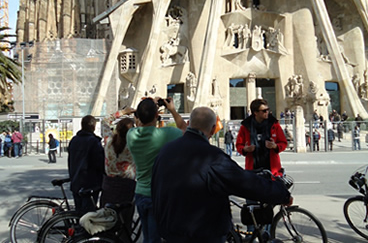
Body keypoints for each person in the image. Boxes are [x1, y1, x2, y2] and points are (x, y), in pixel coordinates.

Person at [151, 107, 292, 243]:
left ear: (188, 124)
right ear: (213, 129)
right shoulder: (212, 157)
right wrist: (281, 192)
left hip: (168, 229)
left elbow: (155, 187)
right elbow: (244, 183)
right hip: (201, 233)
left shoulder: (166, 150)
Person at [126, 97, 186, 243]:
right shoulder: (166, 134)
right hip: (158, 195)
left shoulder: (131, 135)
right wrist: (171, 109)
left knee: (148, 237)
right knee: (154, 239)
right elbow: (184, 128)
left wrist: (144, 108)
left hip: (140, 192)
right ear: (156, 116)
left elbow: (139, 121)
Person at [100, 117, 136, 238]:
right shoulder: (133, 145)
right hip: (127, 187)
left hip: (109, 186)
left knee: (107, 223)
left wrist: (123, 112)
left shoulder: (109, 141)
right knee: (125, 226)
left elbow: (104, 122)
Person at [236, 99, 287, 177]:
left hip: (272, 168)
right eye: (264, 110)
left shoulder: (274, 124)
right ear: (255, 113)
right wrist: (244, 149)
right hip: (253, 168)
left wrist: (275, 146)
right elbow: (239, 145)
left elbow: (283, 142)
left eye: (268, 110)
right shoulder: (245, 127)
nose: (267, 112)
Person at [68, 115, 104, 214]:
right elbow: (99, 163)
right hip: (90, 183)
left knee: (79, 213)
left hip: (76, 182)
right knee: (89, 215)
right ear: (93, 127)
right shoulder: (94, 142)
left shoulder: (74, 140)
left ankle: (77, 228)